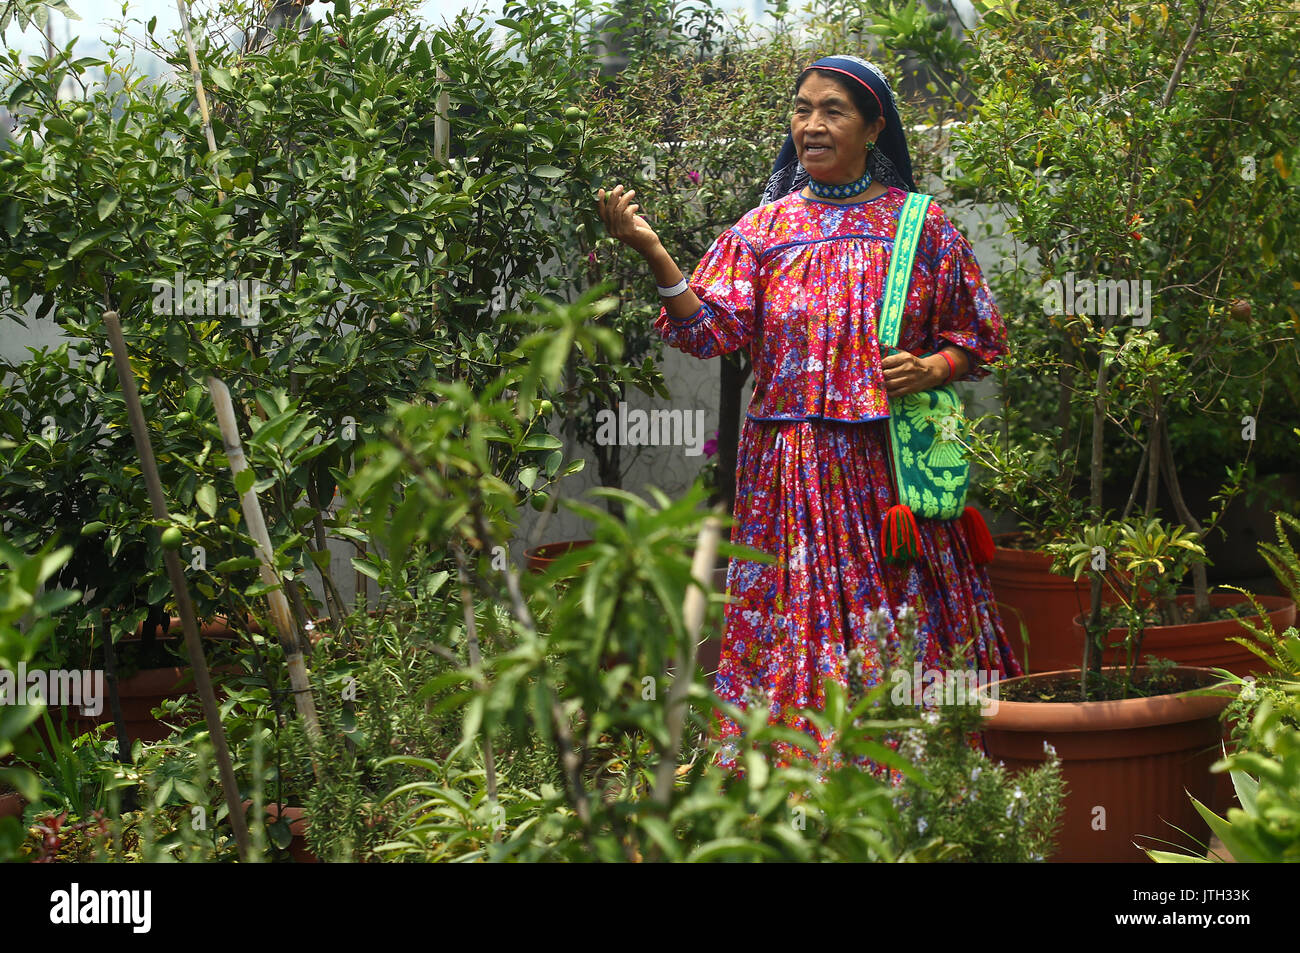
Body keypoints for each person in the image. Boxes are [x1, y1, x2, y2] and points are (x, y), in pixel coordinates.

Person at [596, 54, 1022, 773]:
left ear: (875, 126)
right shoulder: (763, 230)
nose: (812, 124)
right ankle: (793, 775)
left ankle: (927, 769)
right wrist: (653, 251)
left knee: (903, 619)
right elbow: (709, 333)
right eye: (802, 109)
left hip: (891, 474)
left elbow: (979, 336)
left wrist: (931, 367)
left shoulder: (921, 228)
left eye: (833, 111)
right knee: (800, 618)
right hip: (792, 474)